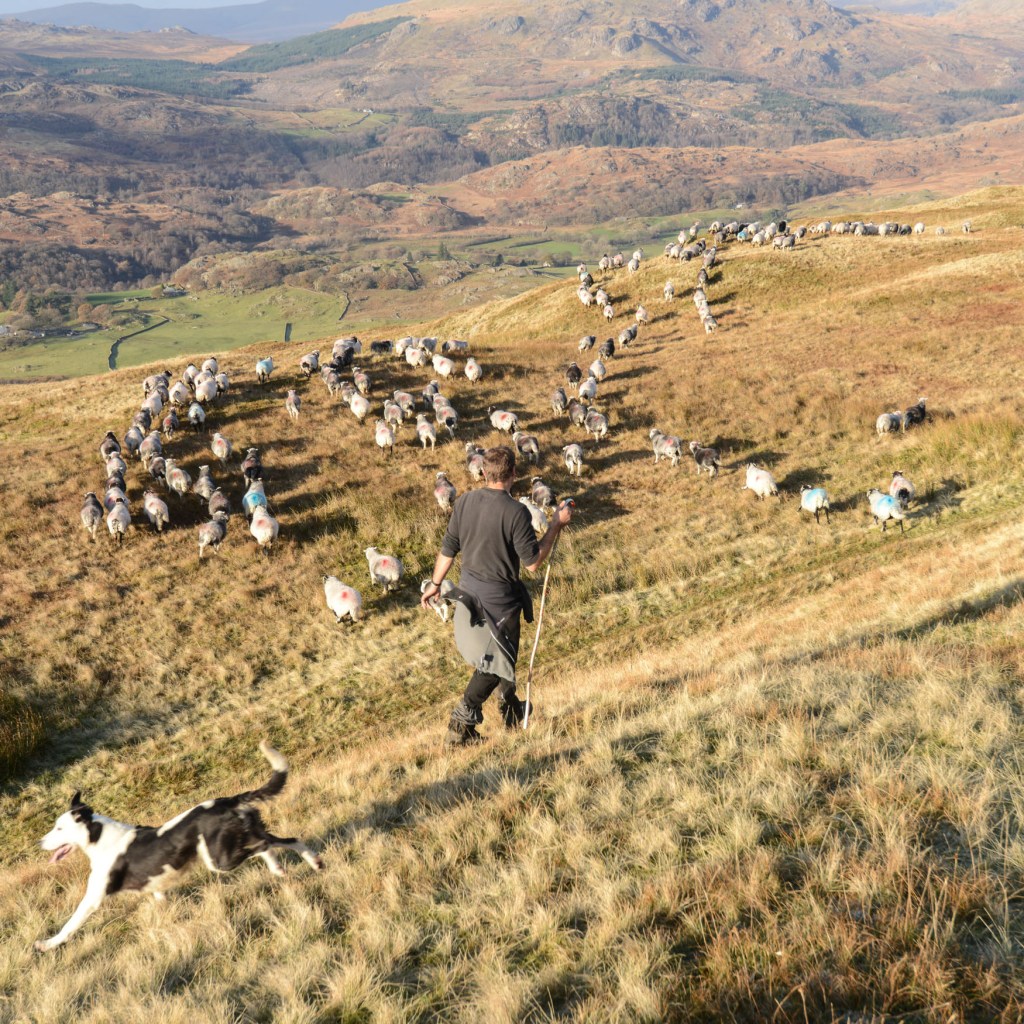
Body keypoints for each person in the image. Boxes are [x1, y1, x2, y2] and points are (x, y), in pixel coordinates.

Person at [420, 445, 572, 747]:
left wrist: (435, 583)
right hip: (499, 605)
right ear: (514, 474)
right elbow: (532, 563)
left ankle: (511, 709)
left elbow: (449, 546)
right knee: (493, 664)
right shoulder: (515, 512)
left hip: (467, 596)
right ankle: (460, 726)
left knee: (501, 659)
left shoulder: (464, 502)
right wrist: (555, 524)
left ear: (483, 473)